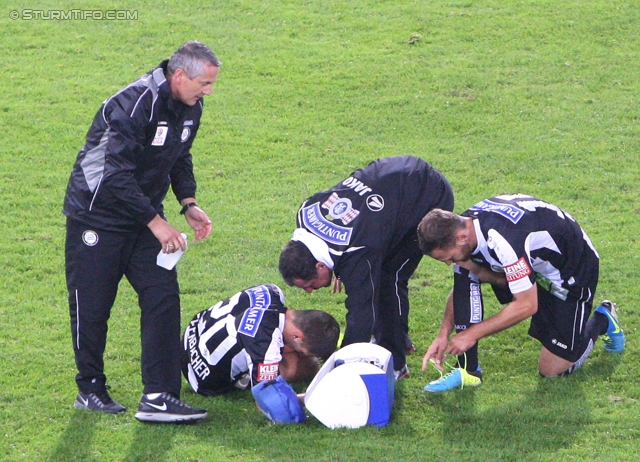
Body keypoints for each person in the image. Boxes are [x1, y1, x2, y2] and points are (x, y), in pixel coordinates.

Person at [63, 41, 221, 423]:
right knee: (93, 305)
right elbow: (115, 175)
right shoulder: (134, 104)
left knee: (162, 297)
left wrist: (188, 202)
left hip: (143, 216)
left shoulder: (190, 106)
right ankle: (91, 389)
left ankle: (159, 396)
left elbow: (178, 155)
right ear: (179, 75)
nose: (209, 91)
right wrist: (157, 222)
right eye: (204, 83)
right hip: (96, 216)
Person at [417, 194, 626, 392]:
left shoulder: (503, 240)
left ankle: (602, 319)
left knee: (552, 370)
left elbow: (527, 305)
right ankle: (468, 370)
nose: (447, 262)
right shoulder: (463, 227)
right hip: (534, 263)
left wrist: (471, 334)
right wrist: (443, 335)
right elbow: (461, 289)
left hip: (571, 271)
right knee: (466, 269)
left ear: (460, 237)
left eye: (446, 256)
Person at [278, 156, 454, 379]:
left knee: (391, 278)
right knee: (377, 273)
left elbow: (361, 314)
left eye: (310, 285)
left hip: (427, 196)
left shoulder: (357, 250)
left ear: (320, 264)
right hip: (394, 174)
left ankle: (396, 362)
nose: (311, 291)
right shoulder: (305, 211)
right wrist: (341, 266)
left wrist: (343, 364)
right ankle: (397, 337)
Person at [182, 284, 340, 396]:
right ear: (297, 336)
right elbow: (270, 400)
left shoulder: (272, 290)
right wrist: (307, 399)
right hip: (204, 379)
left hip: (191, 335)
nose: (303, 354)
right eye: (303, 351)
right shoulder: (266, 343)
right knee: (297, 366)